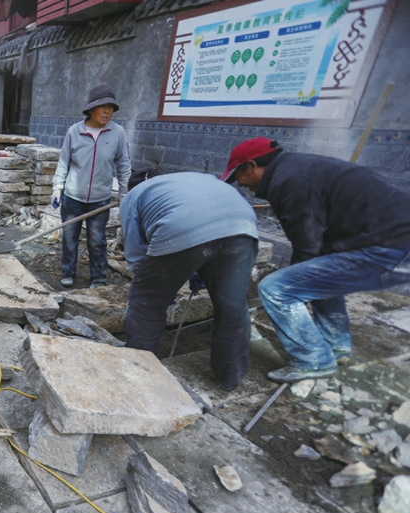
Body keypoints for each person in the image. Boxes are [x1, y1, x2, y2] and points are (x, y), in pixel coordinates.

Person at [222, 137, 410, 383]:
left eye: (238, 177)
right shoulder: (296, 168)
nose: (241, 185)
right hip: (390, 240)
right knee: (318, 275)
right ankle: (336, 346)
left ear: (251, 165)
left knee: (276, 289)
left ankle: (314, 359)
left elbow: (307, 247)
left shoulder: (291, 180)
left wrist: (294, 281)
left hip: (391, 249)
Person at [120, 169, 259, 390]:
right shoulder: (194, 179)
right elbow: (213, 242)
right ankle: (230, 376)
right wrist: (198, 270)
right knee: (232, 306)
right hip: (243, 225)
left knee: (146, 304)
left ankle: (137, 370)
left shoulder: (133, 196)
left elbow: (136, 254)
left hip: (181, 225)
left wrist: (158, 286)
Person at [52, 83, 131, 289]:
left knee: (97, 241)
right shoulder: (75, 132)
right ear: (90, 109)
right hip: (73, 197)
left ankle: (98, 277)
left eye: (111, 107)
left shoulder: (118, 133)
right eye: (102, 106)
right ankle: (68, 272)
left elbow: (124, 164)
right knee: (69, 238)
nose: (107, 111)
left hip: (100, 199)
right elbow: (64, 161)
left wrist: (124, 192)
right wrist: (57, 187)